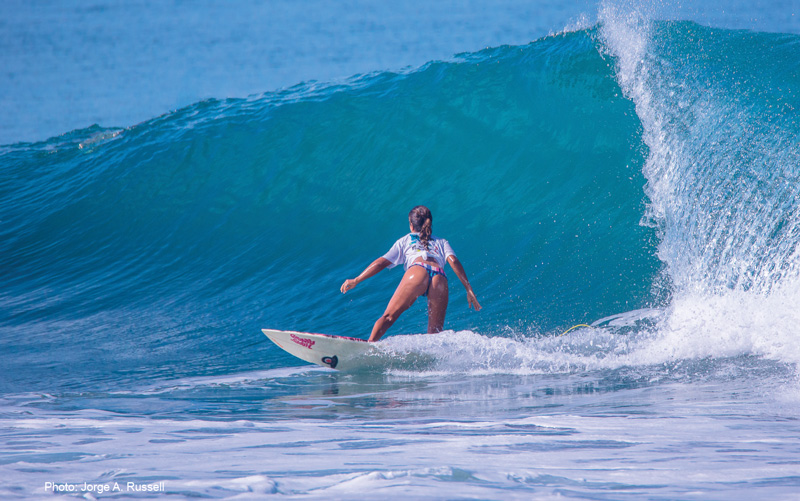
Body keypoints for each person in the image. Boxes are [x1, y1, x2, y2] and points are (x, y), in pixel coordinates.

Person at [340, 206, 481, 341]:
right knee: (435, 333)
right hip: (439, 276)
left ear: (411, 225)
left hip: (417, 270)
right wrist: (468, 289)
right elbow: (453, 261)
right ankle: (429, 363)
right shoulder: (441, 242)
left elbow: (381, 263)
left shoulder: (406, 240)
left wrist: (357, 280)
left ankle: (369, 345)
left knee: (388, 317)